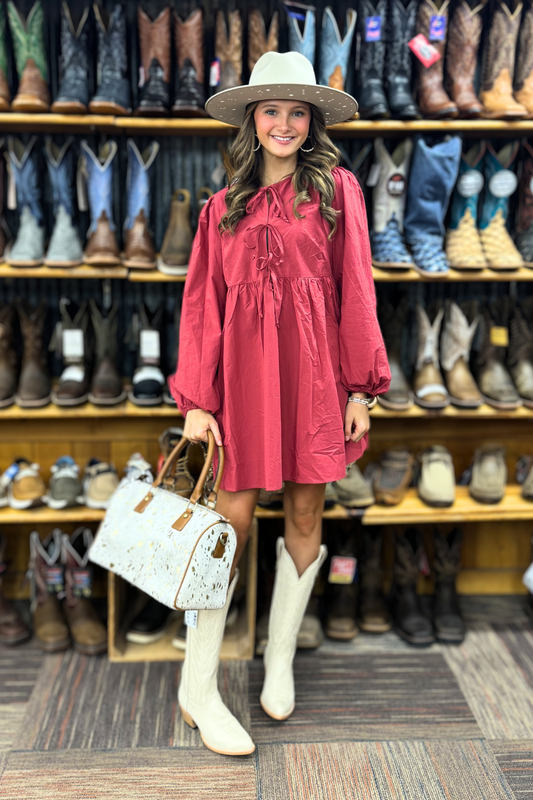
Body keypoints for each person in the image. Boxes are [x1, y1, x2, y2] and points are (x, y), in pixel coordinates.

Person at [170, 51, 390, 757]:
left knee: (303, 510)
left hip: (314, 378)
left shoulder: (337, 193)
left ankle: (280, 659)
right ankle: (198, 686)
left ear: (312, 122)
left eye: (299, 112)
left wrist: (361, 385)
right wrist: (196, 400)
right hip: (239, 379)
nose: (285, 123)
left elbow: (355, 288)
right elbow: (201, 305)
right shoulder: (218, 208)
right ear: (251, 120)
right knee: (228, 522)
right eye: (272, 111)